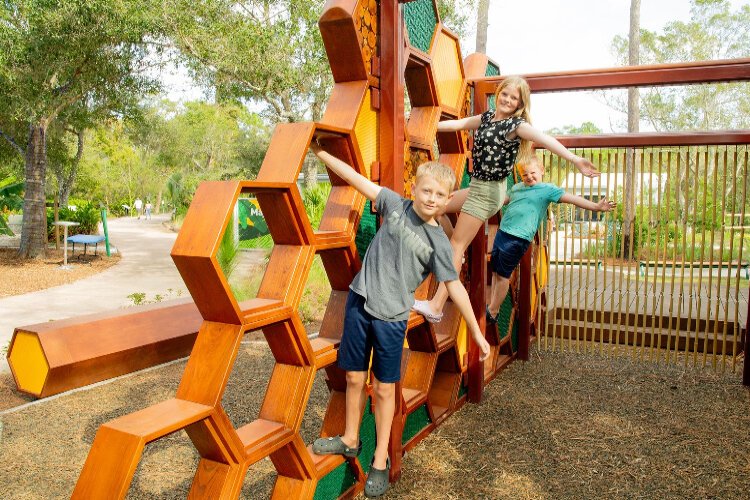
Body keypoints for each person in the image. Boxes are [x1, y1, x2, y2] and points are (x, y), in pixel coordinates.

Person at [309, 141, 490, 498]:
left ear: (448, 199)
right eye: (427, 190)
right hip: (360, 303)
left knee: (385, 388)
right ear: (414, 188)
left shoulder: (439, 242)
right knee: (354, 377)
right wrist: (321, 154)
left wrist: (478, 333)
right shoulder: (394, 204)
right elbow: (357, 180)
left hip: (391, 318)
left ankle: (379, 459)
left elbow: (455, 289)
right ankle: (349, 438)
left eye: (441, 195)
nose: (432, 199)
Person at [412, 75, 601, 323]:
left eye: (514, 98)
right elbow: (458, 125)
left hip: (489, 191)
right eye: (505, 94)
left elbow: (546, 139)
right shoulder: (488, 117)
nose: (508, 100)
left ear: (520, 104)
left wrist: (575, 160)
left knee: (457, 246)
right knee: (437, 210)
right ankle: (454, 254)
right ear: (498, 93)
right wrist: (425, 125)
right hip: (479, 185)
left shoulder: (516, 125)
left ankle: (436, 306)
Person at [486, 156, 615, 321]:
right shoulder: (517, 187)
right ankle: (491, 306)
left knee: (503, 275)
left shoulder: (547, 189)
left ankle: (493, 312)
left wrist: (596, 206)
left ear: (542, 170)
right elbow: (502, 201)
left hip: (518, 238)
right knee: (496, 272)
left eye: (533, 173)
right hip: (503, 232)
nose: (529, 177)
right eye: (525, 175)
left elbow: (573, 199)